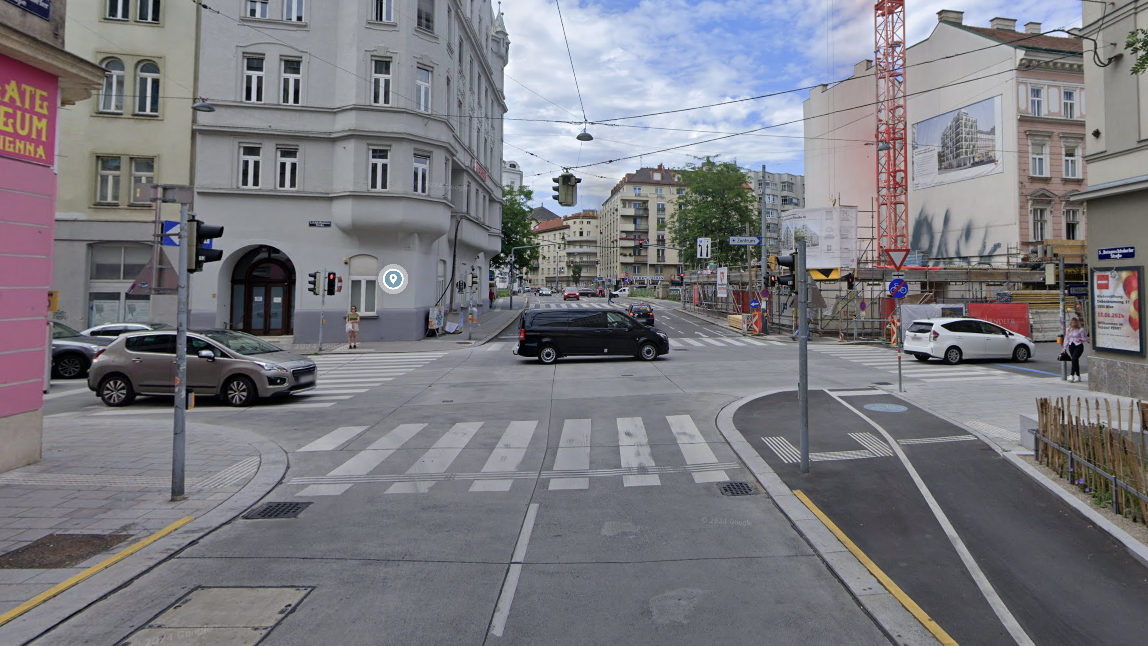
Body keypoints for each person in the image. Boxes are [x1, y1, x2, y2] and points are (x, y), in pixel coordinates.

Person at [1063, 316, 1089, 382]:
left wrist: (1081, 339)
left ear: (1077, 323)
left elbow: (1085, 339)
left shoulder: (1081, 330)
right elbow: (1066, 339)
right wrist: (1064, 348)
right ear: (1070, 324)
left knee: (1074, 358)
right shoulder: (1068, 330)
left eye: (1075, 323)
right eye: (1072, 323)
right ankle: (1078, 375)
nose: (1073, 324)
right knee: (1075, 361)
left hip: (1078, 346)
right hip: (1071, 345)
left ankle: (1071, 375)